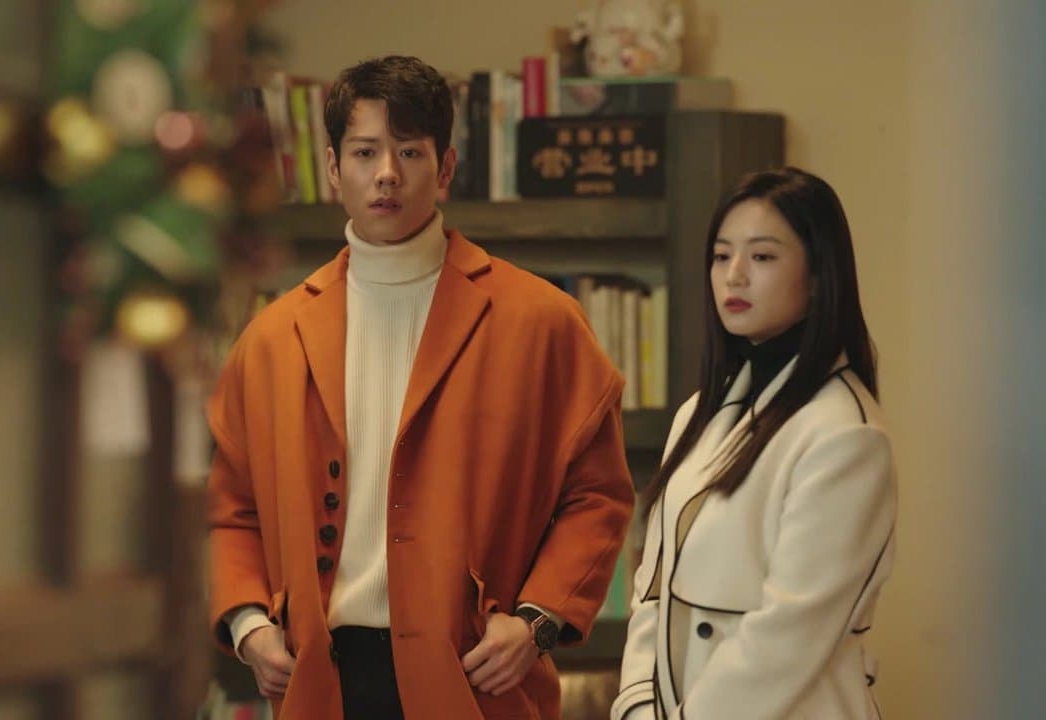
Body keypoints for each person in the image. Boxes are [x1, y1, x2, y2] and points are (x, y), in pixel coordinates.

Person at [206, 55, 635, 720]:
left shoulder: (540, 321)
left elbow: (597, 494)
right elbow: (230, 508)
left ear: (446, 167)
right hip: (319, 680)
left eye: (409, 152)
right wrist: (248, 625)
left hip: (476, 677)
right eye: (365, 152)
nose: (387, 174)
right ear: (332, 167)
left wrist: (537, 621)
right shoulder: (271, 338)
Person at [611, 167, 898, 720]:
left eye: (762, 256)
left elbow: (790, 635)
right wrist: (637, 706)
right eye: (722, 256)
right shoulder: (700, 412)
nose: (734, 276)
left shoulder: (846, 434)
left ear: (819, 275)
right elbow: (652, 592)